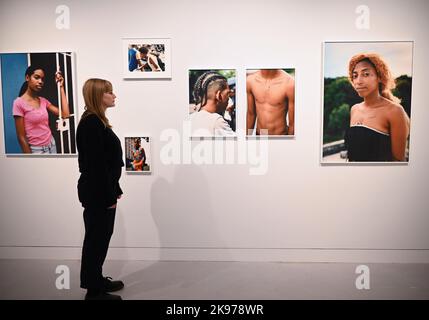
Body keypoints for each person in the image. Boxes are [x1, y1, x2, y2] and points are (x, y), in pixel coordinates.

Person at [76, 78, 125, 300]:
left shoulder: (97, 121)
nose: (114, 96)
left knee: (101, 237)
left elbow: (106, 163)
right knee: (96, 239)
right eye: (110, 92)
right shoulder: (91, 124)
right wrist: (108, 195)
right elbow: (96, 166)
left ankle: (96, 280)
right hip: (98, 193)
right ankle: (93, 291)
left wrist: (115, 187)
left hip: (102, 191)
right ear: (98, 96)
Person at [345, 53, 410, 161]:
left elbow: (398, 162)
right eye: (355, 76)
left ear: (379, 77)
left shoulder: (395, 111)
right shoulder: (354, 109)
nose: (358, 81)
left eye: (365, 74)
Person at [13, 65, 70, 154]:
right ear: (27, 78)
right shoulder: (18, 103)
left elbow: (65, 114)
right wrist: (30, 159)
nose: (40, 82)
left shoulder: (43, 101)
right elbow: (21, 137)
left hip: (52, 145)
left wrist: (61, 87)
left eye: (42, 79)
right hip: (36, 150)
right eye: (37, 77)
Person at [246, 69, 295, 135]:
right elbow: (251, 114)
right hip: (260, 136)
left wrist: (289, 143)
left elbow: (293, 124)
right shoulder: (251, 81)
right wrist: (247, 139)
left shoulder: (290, 83)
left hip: (280, 137)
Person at [189, 71, 235, 137]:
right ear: (218, 95)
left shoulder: (190, 118)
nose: (228, 98)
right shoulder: (217, 121)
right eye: (227, 93)